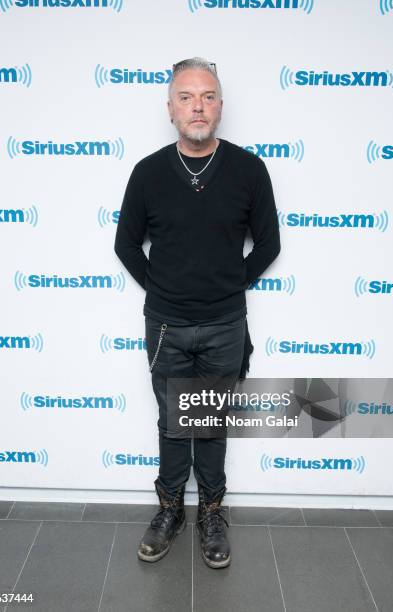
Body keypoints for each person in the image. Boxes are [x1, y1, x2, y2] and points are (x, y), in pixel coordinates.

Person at [114, 57, 280, 569]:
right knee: (171, 422)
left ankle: (211, 512)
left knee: (209, 421)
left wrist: (227, 286)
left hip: (226, 325)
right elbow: (125, 245)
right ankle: (170, 510)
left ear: (221, 106)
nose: (197, 106)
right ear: (170, 109)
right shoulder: (147, 172)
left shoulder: (249, 170)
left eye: (207, 96)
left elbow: (269, 244)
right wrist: (163, 289)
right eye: (186, 97)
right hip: (165, 325)